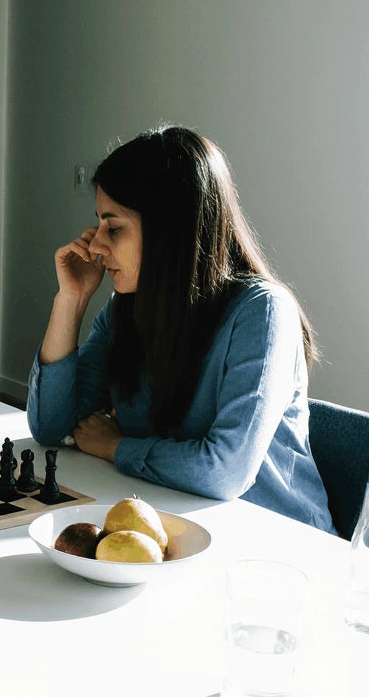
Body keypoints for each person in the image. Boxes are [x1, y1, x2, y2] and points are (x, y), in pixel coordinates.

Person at [28, 124, 335, 533]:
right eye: (98, 225)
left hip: (278, 547)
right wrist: (71, 300)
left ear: (169, 229)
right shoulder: (127, 307)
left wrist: (116, 446)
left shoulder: (264, 313)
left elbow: (224, 473)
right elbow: (50, 426)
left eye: (113, 227)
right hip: (175, 526)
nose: (97, 246)